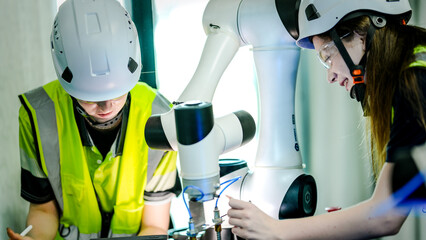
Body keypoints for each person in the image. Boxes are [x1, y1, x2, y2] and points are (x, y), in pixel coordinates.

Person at [227, 0, 426, 239]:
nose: (330, 75)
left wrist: (275, 230)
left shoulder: (414, 82)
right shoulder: (416, 64)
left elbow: (386, 214)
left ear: (363, 32)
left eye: (327, 56)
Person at [7, 0, 180, 239]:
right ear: (65, 77)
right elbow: (43, 209)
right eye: (90, 98)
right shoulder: (38, 115)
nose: (106, 107)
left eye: (117, 93)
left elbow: (155, 226)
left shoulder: (161, 117)